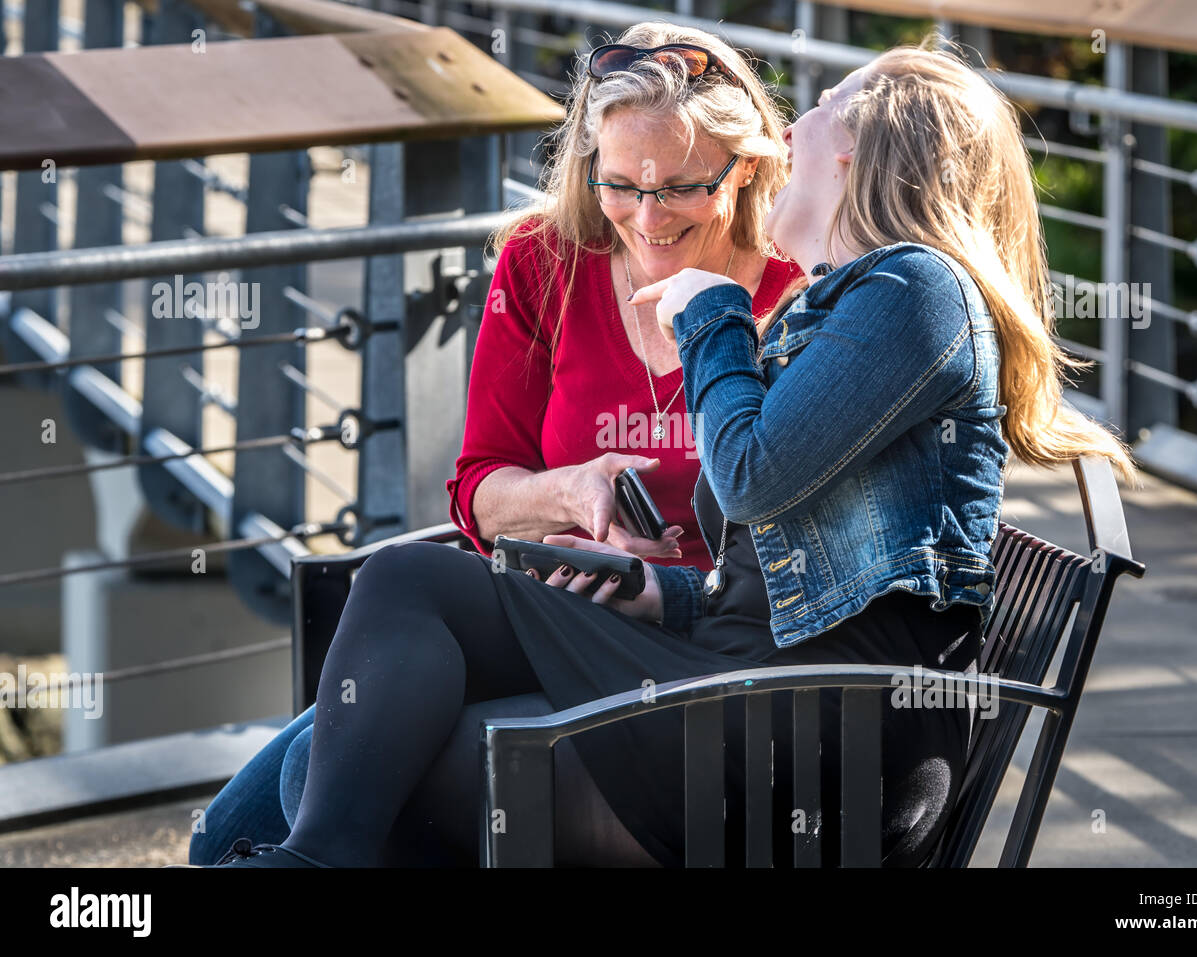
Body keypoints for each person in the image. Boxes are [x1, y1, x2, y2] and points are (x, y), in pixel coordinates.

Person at [209, 37, 1135, 869]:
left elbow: (754, 472)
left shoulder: (915, 290)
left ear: (847, 153)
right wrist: (656, 590)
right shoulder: (858, 304)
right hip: (753, 689)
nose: (796, 117)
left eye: (822, 103)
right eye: (623, 184)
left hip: (813, 737)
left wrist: (713, 317)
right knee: (405, 583)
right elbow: (780, 577)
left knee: (400, 767)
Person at [188, 21, 801, 866]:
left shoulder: (795, 293)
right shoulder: (544, 259)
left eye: (682, 189)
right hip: (544, 611)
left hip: (690, 648)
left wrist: (675, 578)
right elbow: (477, 487)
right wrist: (569, 491)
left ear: (750, 166)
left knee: (317, 776)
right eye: (621, 184)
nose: (647, 218)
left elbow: (808, 547)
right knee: (222, 837)